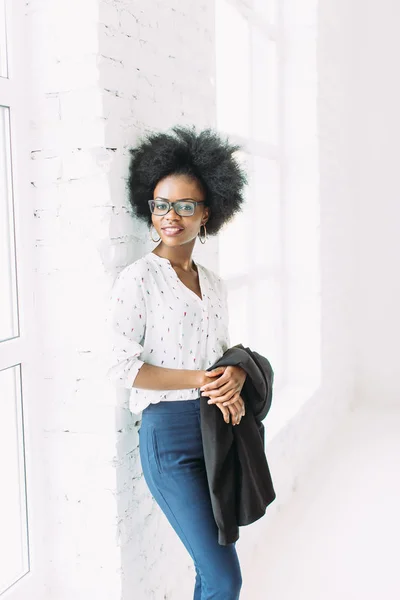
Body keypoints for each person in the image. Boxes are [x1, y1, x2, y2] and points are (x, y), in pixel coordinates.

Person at [107, 125, 249, 599]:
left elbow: (219, 352)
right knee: (226, 577)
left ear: (206, 211)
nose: (171, 216)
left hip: (213, 432)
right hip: (167, 440)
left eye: (185, 205)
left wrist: (231, 372)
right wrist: (201, 378)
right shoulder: (138, 279)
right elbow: (122, 367)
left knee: (210, 570)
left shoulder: (213, 282)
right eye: (161, 205)